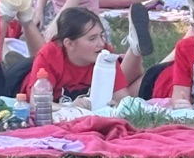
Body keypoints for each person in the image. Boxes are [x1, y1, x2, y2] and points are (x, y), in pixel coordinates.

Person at [10, 6, 151, 104]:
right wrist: (70, 107)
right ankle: (22, 24)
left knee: (145, 78)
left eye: (102, 36)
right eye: (92, 38)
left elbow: (121, 96)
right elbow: (37, 104)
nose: (101, 43)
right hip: (17, 85)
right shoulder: (50, 56)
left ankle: (135, 50)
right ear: (69, 44)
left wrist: (116, 105)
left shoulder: (104, 53)